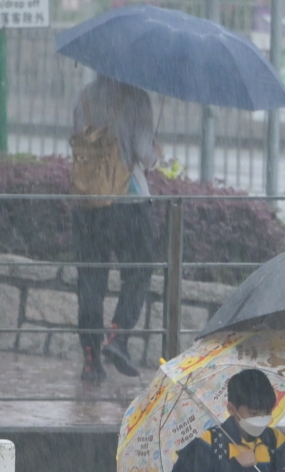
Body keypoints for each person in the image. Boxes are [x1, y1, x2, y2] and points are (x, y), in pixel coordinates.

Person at [71, 74, 160, 383]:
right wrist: (156, 151)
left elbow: (77, 139)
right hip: (128, 203)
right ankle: (117, 336)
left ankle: (91, 359)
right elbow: (144, 154)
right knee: (139, 269)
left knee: (91, 281)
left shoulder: (85, 96)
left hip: (88, 202)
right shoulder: (136, 97)